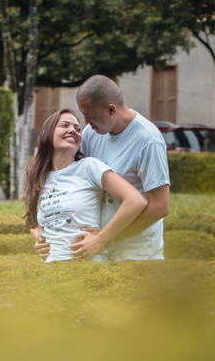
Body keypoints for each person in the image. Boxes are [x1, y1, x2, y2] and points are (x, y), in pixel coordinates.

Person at [33, 75, 170, 262]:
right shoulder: (92, 133)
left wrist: (106, 240)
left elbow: (159, 207)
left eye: (89, 116)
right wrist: (42, 235)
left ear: (111, 110)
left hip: (136, 252)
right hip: (97, 248)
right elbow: (66, 184)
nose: (85, 123)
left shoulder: (148, 139)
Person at [24, 108, 147, 263]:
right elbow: (32, 219)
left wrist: (101, 240)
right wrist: (38, 238)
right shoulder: (38, 175)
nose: (73, 130)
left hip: (87, 266)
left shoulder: (89, 167)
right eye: (65, 125)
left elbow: (135, 201)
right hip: (50, 270)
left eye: (77, 129)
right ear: (48, 133)